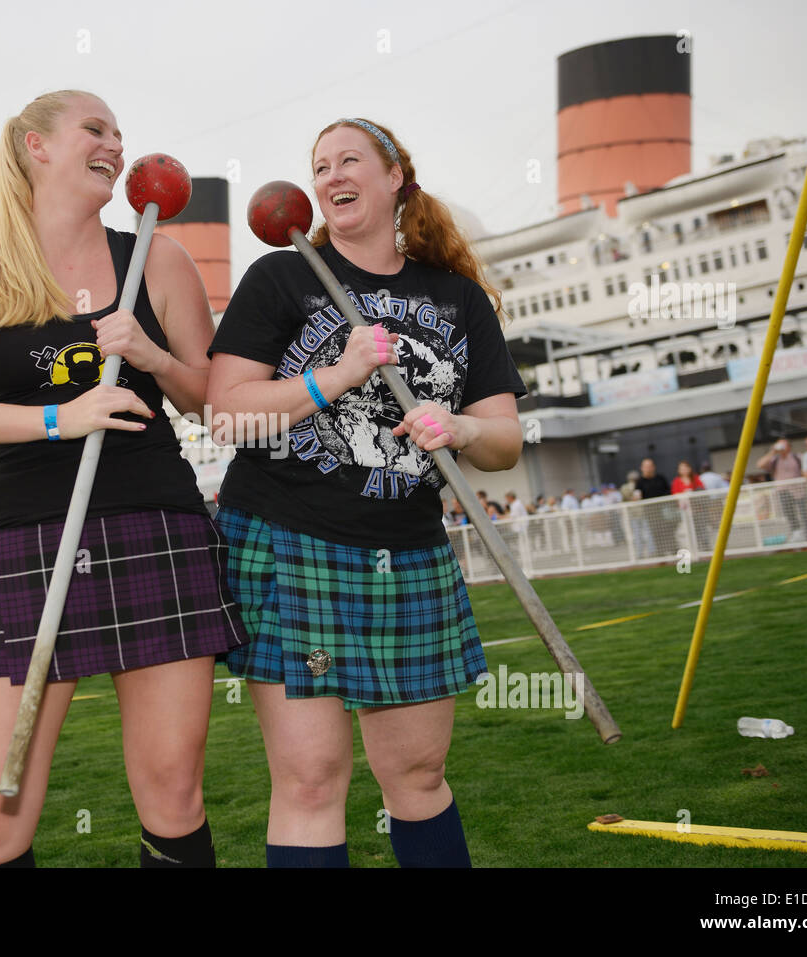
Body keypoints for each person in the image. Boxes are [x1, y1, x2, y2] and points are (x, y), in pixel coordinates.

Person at [0, 90, 247, 869]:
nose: (116, 142)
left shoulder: (160, 258)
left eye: (120, 131)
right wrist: (56, 419)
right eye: (95, 129)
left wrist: (150, 355)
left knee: (173, 792)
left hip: (154, 526)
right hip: (26, 538)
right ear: (35, 146)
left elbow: (216, 402)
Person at [206, 116, 526, 867]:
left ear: (395, 178)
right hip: (289, 539)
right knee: (312, 778)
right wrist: (335, 377)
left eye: (349, 160)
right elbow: (226, 413)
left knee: (418, 774)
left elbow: (505, 443)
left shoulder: (458, 298)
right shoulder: (282, 276)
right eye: (320, 167)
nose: (331, 176)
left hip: (409, 552)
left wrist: (459, 428)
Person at [757, 438, 807, 541]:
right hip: (783, 491)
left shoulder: (797, 457)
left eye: (783, 445)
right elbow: (760, 464)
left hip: (799, 490)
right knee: (790, 515)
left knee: (804, 514)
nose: (781, 447)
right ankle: (797, 534)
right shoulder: (774, 460)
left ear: (789, 447)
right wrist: (773, 451)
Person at [634, 458, 676, 556]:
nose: (648, 469)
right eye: (646, 466)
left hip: (665, 510)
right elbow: (637, 496)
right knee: (655, 533)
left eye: (650, 466)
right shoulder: (639, 482)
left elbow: (668, 492)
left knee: (669, 531)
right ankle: (661, 554)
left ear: (653, 467)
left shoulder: (661, 478)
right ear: (642, 468)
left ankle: (674, 550)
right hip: (651, 513)